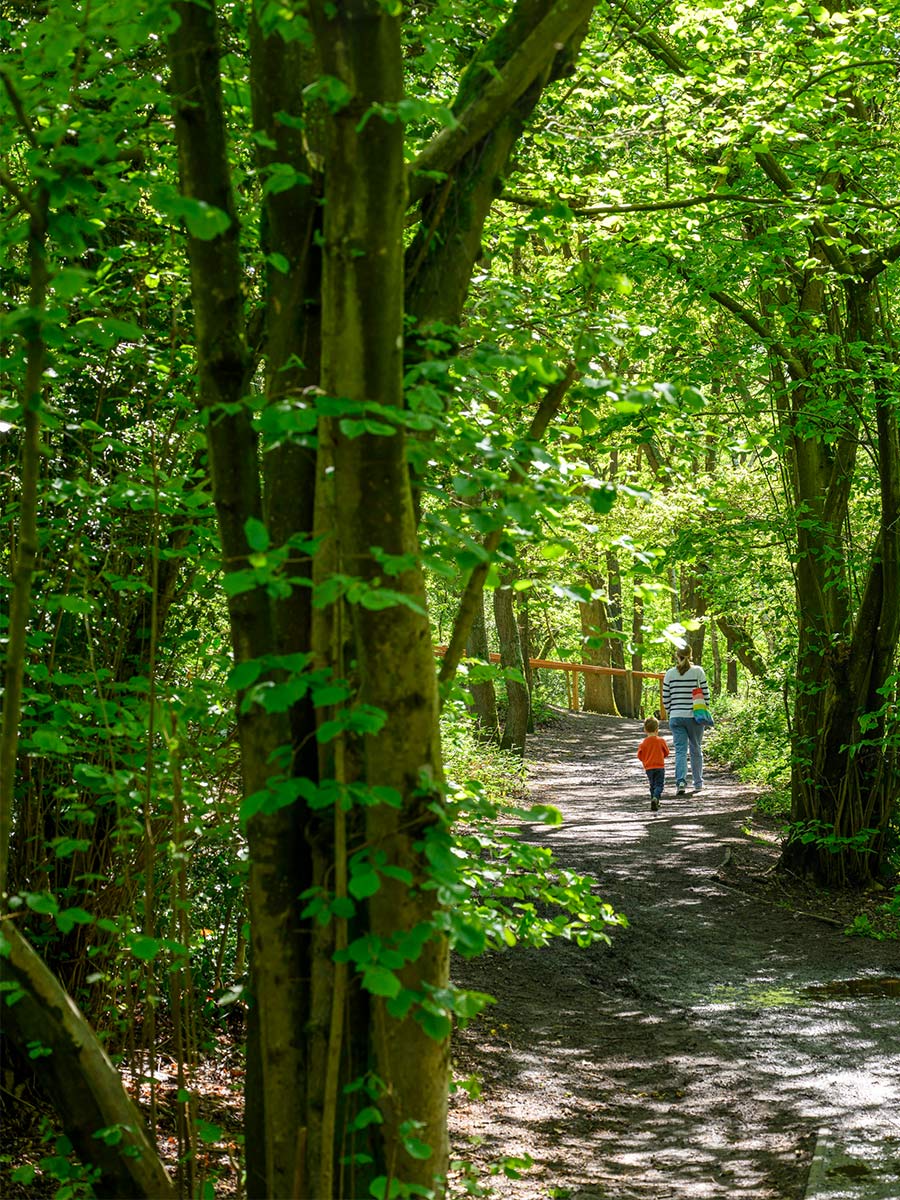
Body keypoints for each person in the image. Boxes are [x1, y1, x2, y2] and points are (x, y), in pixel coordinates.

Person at [662, 645, 711, 796]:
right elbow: (706, 695)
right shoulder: (698, 671)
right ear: (690, 655)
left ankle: (681, 782)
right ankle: (698, 783)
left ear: (677, 655)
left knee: (680, 751)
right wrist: (702, 710)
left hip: (676, 717)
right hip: (694, 717)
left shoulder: (670, 674)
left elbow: (665, 698)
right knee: (696, 749)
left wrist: (673, 711)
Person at [637, 716, 669, 811]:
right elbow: (667, 752)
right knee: (659, 785)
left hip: (649, 767)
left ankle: (653, 800)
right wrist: (660, 756)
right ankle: (655, 798)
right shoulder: (661, 741)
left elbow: (639, 755)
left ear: (645, 730)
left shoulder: (643, 743)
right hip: (659, 766)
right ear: (657, 729)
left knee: (652, 784)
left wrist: (646, 760)